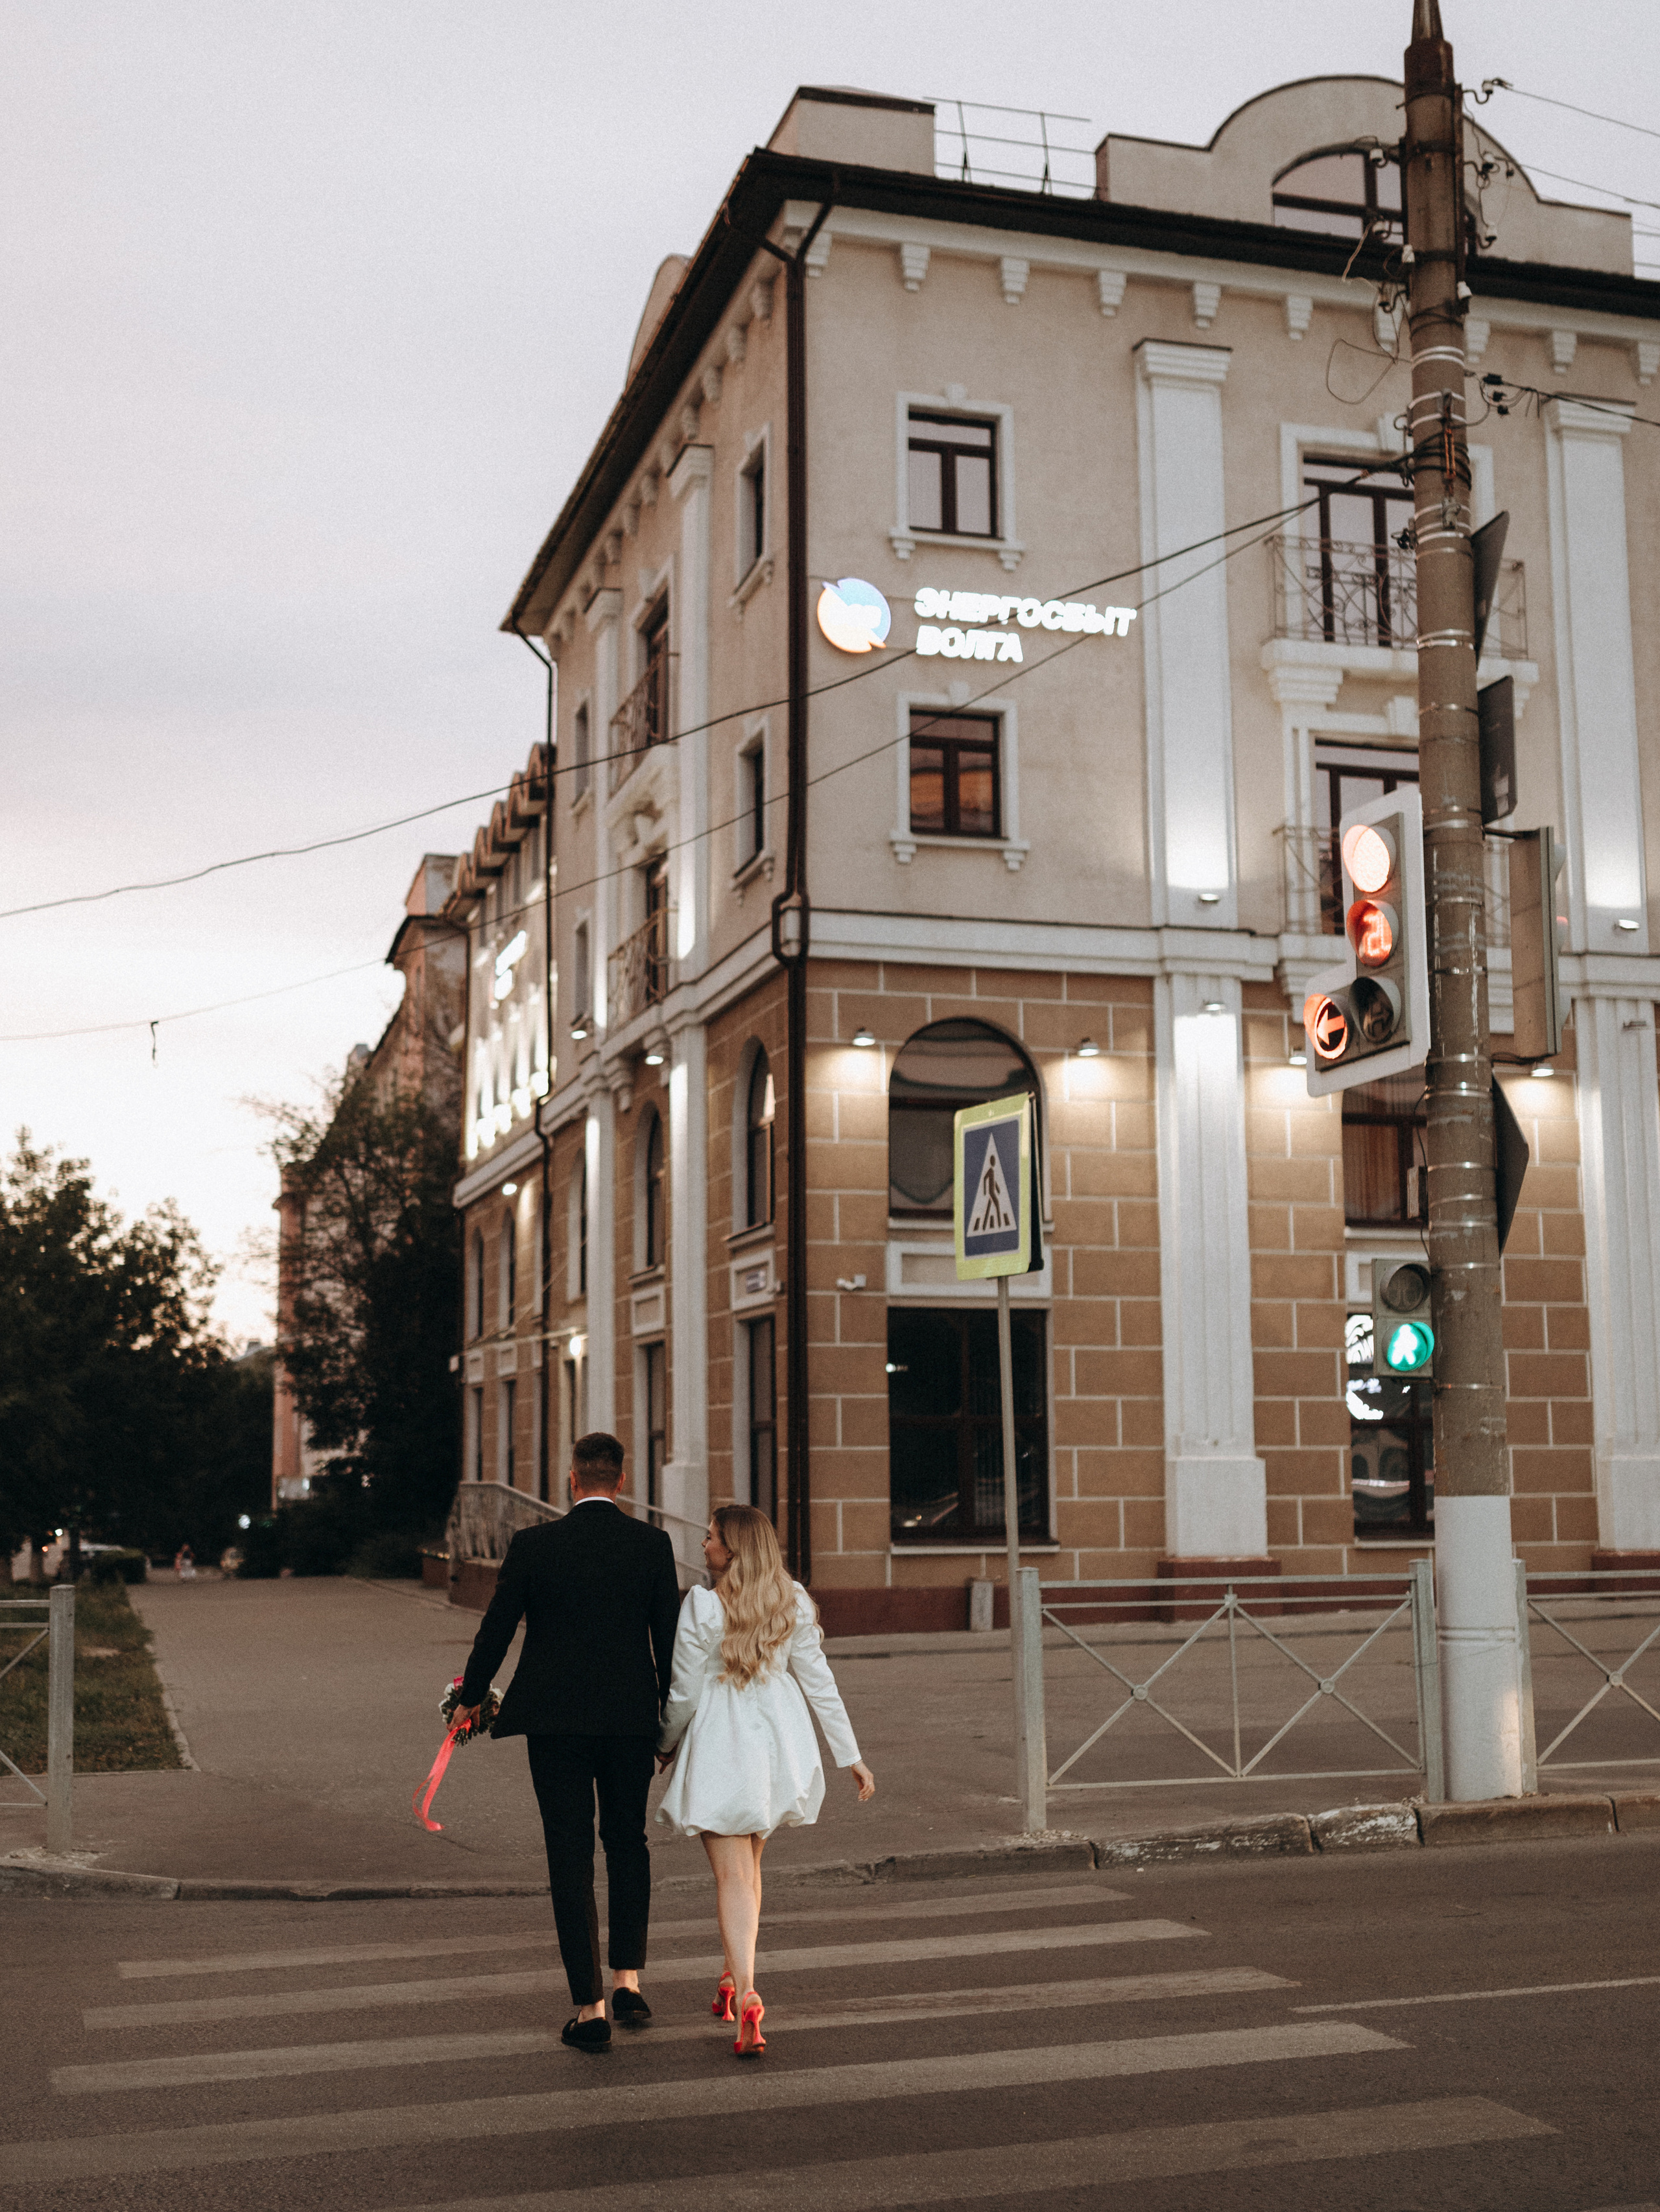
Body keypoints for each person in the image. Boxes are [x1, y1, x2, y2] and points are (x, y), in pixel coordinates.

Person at [452, 1431, 680, 2056]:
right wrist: (671, 1727)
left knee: (569, 1853)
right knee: (627, 1842)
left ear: (572, 1480)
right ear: (622, 1481)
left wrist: (470, 1696)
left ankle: (590, 2008)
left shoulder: (534, 1546)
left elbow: (496, 1629)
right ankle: (629, 1979)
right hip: (631, 1721)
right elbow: (671, 1644)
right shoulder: (652, 1545)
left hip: (553, 1722)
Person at [655, 1503, 875, 2058]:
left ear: (731, 1550)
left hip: (723, 1742)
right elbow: (818, 1680)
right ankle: (732, 1978)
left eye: (710, 1538)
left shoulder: (703, 1606)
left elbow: (683, 1691)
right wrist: (850, 1755)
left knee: (732, 1875)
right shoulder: (791, 1599)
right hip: (780, 1742)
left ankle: (749, 1991)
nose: (703, 1545)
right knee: (750, 1866)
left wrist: (663, 1744)